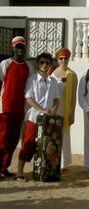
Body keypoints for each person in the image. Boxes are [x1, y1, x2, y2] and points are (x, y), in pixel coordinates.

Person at [16, 52, 61, 181]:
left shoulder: (53, 81)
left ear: (50, 64)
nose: (44, 65)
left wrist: (54, 108)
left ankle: (44, 171)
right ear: (38, 63)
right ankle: (20, 171)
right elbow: (28, 98)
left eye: (47, 62)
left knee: (48, 146)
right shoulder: (32, 79)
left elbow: (57, 98)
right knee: (28, 143)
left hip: (48, 119)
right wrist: (41, 110)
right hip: (34, 117)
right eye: (42, 62)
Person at [0, 36, 33, 179]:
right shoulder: (5, 64)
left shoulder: (28, 67)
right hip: (5, 107)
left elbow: (30, 88)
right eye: (17, 47)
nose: (20, 49)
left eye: (22, 47)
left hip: (20, 109)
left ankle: (4, 167)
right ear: (13, 48)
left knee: (13, 140)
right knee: (2, 139)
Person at [51, 48, 78, 170]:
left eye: (66, 58)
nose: (63, 61)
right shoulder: (52, 74)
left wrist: (72, 113)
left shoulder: (72, 75)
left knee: (64, 135)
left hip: (65, 108)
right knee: (53, 135)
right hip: (54, 108)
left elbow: (73, 96)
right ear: (57, 59)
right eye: (61, 58)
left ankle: (63, 163)